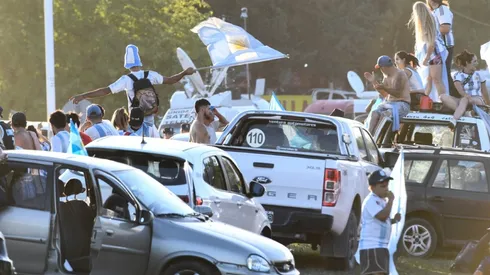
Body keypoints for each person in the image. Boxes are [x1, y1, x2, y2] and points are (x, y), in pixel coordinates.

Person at [69, 44, 196, 128]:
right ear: (139, 61)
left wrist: (83, 96)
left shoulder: (126, 80)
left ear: (127, 64)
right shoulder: (150, 75)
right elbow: (170, 80)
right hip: (150, 118)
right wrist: (185, 72)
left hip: (136, 121)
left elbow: (105, 91)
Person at [359, 170, 401, 275]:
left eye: (387, 186)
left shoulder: (382, 201)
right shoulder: (371, 200)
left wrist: (394, 220)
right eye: (382, 186)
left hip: (381, 246)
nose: (386, 189)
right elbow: (382, 216)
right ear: (372, 187)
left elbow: (382, 221)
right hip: (372, 246)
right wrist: (391, 200)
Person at [409, 1, 449, 101]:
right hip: (434, 52)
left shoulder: (428, 21)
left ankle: (444, 101)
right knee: (429, 79)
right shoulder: (429, 19)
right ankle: (427, 101)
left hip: (435, 53)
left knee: (437, 80)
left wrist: (426, 57)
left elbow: (432, 42)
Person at [440, 50, 490, 126]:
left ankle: (454, 119)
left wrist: (488, 105)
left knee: (464, 99)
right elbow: (460, 91)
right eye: (474, 61)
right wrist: (467, 96)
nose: (477, 63)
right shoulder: (458, 75)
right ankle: (466, 113)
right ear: (467, 63)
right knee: (442, 96)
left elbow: (484, 92)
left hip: (477, 99)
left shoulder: (479, 74)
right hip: (464, 99)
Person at [364, 56, 411, 133]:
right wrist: (373, 81)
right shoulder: (386, 77)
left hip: (402, 104)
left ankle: (375, 137)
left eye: (380, 68)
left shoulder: (400, 74)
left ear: (384, 67)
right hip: (390, 103)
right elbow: (385, 94)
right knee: (374, 113)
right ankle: (369, 136)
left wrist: (384, 87)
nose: (381, 71)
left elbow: (397, 94)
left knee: (384, 115)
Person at [427, 0, 458, 98]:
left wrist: (429, 32)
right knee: (437, 75)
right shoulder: (434, 11)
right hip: (437, 47)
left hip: (444, 46)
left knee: (445, 74)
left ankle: (455, 97)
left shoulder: (442, 10)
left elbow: (445, 28)